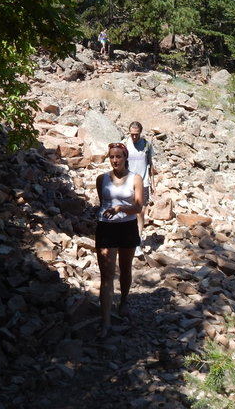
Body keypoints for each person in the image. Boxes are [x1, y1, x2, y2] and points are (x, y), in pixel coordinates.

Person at [95, 142, 144, 338]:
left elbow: (139, 207)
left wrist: (121, 209)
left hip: (127, 226)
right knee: (106, 275)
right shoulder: (101, 179)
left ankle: (124, 300)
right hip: (106, 227)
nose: (115, 160)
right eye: (112, 157)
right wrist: (110, 211)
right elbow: (102, 202)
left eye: (118, 156)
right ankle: (105, 322)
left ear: (125, 158)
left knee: (125, 268)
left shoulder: (135, 178)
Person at [124, 121, 155, 256]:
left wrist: (153, 182)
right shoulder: (125, 144)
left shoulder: (147, 145)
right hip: (129, 182)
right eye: (132, 134)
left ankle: (137, 239)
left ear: (140, 133)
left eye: (136, 134)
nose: (134, 137)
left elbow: (150, 164)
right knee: (130, 212)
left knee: (141, 212)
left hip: (144, 182)